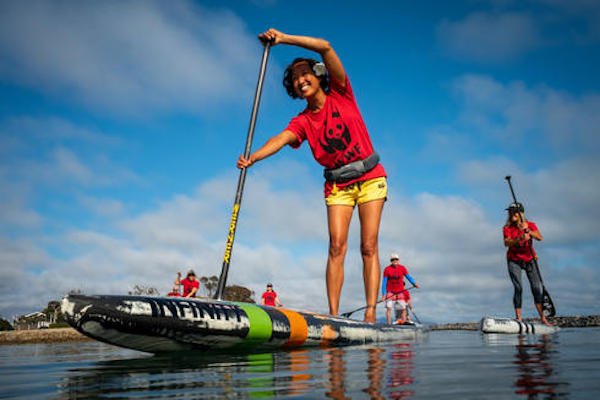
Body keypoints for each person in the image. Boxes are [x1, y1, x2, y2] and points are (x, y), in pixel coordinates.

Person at [237, 28, 387, 322]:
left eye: (305, 73)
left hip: (369, 177)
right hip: (337, 185)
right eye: (295, 78)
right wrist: (253, 157)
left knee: (368, 246)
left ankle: (370, 312)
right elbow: (280, 139)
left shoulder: (342, 93)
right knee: (336, 246)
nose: (300, 79)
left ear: (319, 75)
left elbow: (326, 47)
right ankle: (333, 317)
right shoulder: (303, 120)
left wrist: (283, 39)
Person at [503, 202, 553, 326]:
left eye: (513, 212)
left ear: (520, 213)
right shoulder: (507, 228)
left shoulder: (530, 224)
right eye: (509, 212)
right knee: (518, 287)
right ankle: (519, 319)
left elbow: (539, 237)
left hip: (530, 259)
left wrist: (528, 231)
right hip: (514, 260)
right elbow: (506, 243)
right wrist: (520, 238)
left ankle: (543, 318)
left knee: (536, 288)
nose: (510, 214)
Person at [381, 254, 420, 325]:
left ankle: (403, 322)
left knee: (403, 308)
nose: (395, 261)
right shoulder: (387, 269)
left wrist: (414, 283)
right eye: (393, 260)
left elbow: (408, 277)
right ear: (391, 261)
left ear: (398, 260)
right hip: (390, 292)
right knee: (388, 308)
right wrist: (383, 295)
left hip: (400, 292)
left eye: (396, 259)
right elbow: (384, 283)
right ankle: (389, 324)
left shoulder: (402, 268)